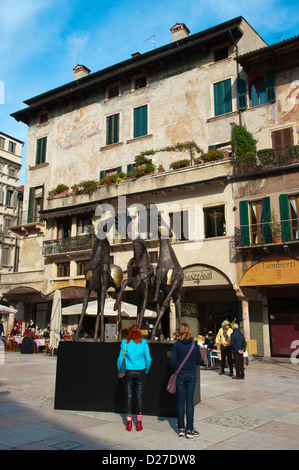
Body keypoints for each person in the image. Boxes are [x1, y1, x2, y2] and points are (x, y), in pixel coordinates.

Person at [170, 323, 203, 439]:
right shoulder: (194, 345)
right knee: (189, 402)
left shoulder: (177, 345)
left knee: (180, 402)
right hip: (191, 374)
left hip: (180, 375)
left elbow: (172, 362)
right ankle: (190, 428)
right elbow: (200, 360)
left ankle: (181, 428)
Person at [117, 324, 152, 432]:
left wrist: (120, 369)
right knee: (139, 396)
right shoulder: (144, 342)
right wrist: (146, 369)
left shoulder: (125, 343)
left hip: (128, 371)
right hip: (140, 371)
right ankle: (139, 422)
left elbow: (119, 359)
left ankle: (128, 423)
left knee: (128, 396)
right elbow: (149, 359)